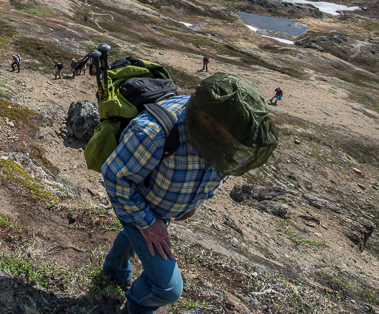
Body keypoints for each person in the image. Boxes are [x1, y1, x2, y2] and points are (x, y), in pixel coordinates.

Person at [101, 74, 278, 314]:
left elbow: (217, 171)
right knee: (167, 288)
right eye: (231, 137)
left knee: (140, 235)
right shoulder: (153, 132)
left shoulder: (224, 136)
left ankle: (114, 271)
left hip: (160, 210)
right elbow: (115, 175)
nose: (235, 144)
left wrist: (192, 203)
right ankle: (137, 306)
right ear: (208, 121)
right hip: (137, 205)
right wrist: (147, 222)